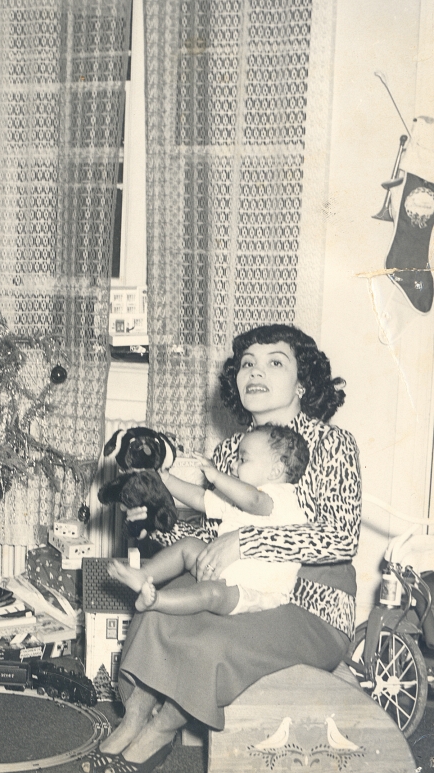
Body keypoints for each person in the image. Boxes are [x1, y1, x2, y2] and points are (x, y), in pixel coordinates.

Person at [84, 324, 360, 773]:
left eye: (275, 362)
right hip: (236, 582)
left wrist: (247, 540)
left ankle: (161, 730)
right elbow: (211, 531)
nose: (256, 371)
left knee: (208, 642)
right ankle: (134, 718)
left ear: (303, 382)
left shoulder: (332, 444)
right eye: (247, 363)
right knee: (155, 614)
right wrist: (156, 523)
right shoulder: (232, 448)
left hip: (311, 604)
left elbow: (341, 537)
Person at [109, 424, 310, 617]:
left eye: (243, 459)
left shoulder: (281, 497)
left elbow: (254, 500)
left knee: (211, 594)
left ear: (275, 471)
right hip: (220, 568)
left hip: (256, 590)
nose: (233, 464)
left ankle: (156, 600)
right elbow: (199, 498)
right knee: (187, 546)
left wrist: (216, 477)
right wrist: (164, 479)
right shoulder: (235, 497)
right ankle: (143, 575)